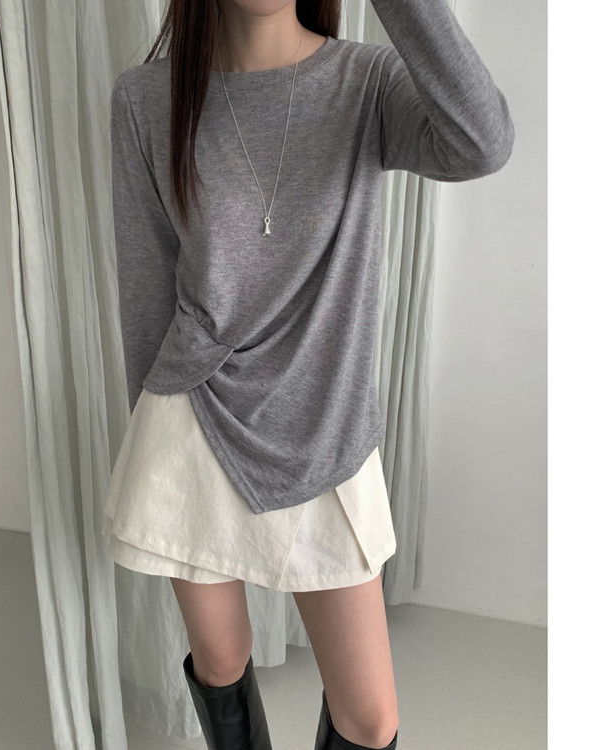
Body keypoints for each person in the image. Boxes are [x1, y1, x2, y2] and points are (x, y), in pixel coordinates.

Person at [102, 1, 515, 749]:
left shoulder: (365, 81)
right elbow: (147, 287)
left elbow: (481, 143)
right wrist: (144, 442)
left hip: (324, 426)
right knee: (221, 660)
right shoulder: (145, 97)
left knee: (370, 719)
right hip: (191, 422)